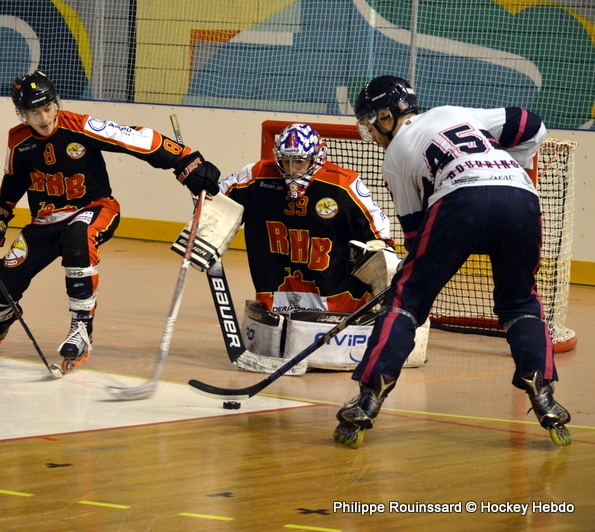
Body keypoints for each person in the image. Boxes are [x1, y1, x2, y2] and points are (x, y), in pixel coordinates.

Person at [333, 75, 571, 448]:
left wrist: (408, 285)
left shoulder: (395, 156)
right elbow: (531, 124)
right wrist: (516, 167)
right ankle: (543, 392)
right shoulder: (452, 112)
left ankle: (368, 399)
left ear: (385, 114)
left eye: (370, 122)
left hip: (460, 201)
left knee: (406, 300)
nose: (371, 133)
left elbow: (414, 237)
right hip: (522, 198)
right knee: (520, 302)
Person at [0, 71, 220, 374]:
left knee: (77, 237)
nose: (43, 117)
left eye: (47, 108)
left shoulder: (80, 126)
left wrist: (185, 160)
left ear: (56, 103)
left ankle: (81, 328)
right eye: (33, 112)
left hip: (95, 208)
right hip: (45, 222)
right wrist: (0, 211)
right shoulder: (18, 140)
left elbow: (135, 138)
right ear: (21, 114)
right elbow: (14, 179)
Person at [215, 123, 426, 374]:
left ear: (317, 157)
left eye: (300, 162)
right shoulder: (258, 176)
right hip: (277, 304)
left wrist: (379, 259)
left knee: (386, 262)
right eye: (286, 162)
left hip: (336, 306)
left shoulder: (344, 185)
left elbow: (379, 234)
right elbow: (216, 197)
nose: (292, 170)